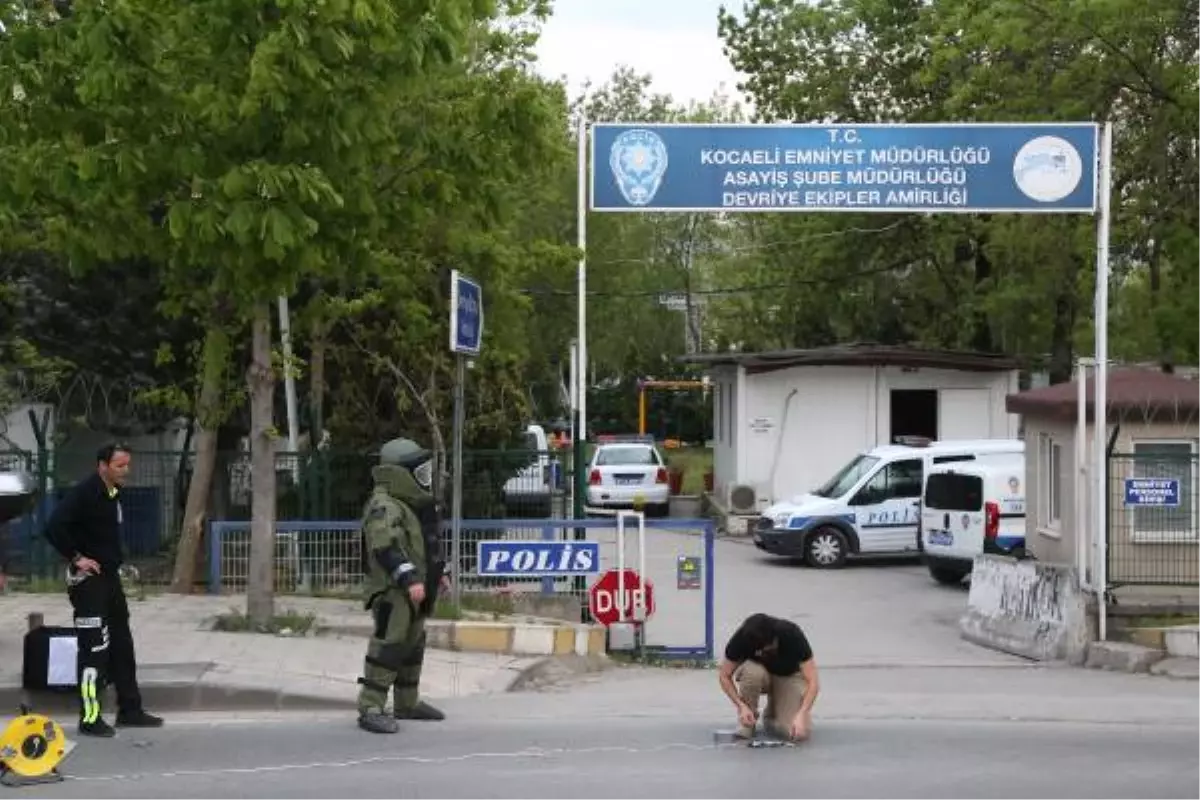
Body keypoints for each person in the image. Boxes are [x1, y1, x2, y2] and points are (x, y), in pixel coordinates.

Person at [43, 443, 163, 737]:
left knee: (122, 644)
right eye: (120, 465)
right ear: (102, 466)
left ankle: (130, 709)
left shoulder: (112, 494)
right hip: (89, 584)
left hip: (110, 580)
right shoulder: (85, 492)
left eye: (127, 465)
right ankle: (90, 717)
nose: (126, 471)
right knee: (94, 649)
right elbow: (53, 526)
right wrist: (77, 558)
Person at [355, 436, 450, 734]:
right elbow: (385, 546)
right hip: (394, 591)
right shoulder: (385, 505)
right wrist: (408, 579)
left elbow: (424, 545)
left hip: (415, 591)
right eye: (419, 472)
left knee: (412, 645)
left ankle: (407, 702)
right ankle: (370, 705)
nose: (425, 478)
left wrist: (439, 574)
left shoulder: (411, 505)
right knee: (389, 645)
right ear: (398, 473)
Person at [718, 612, 819, 742]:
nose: (761, 652)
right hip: (761, 676)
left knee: (794, 734)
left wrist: (802, 714)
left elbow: (813, 681)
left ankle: (772, 715)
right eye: (757, 649)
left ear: (774, 638)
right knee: (751, 671)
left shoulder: (791, 633)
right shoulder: (742, 638)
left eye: (765, 649)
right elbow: (724, 676)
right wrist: (740, 705)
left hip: (789, 676)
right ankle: (748, 722)